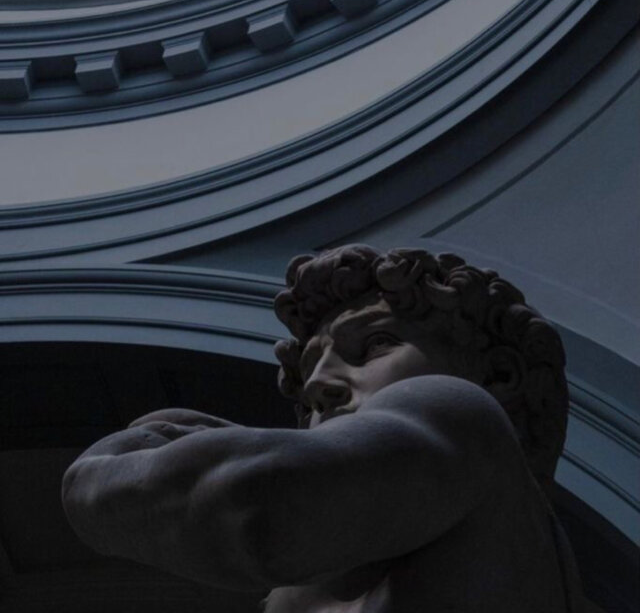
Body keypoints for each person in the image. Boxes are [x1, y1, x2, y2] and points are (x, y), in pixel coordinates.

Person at [62, 245, 584, 612]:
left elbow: (257, 505)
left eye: (375, 344)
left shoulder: (466, 415)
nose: (317, 384)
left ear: (498, 377)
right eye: (311, 366)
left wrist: (99, 472)